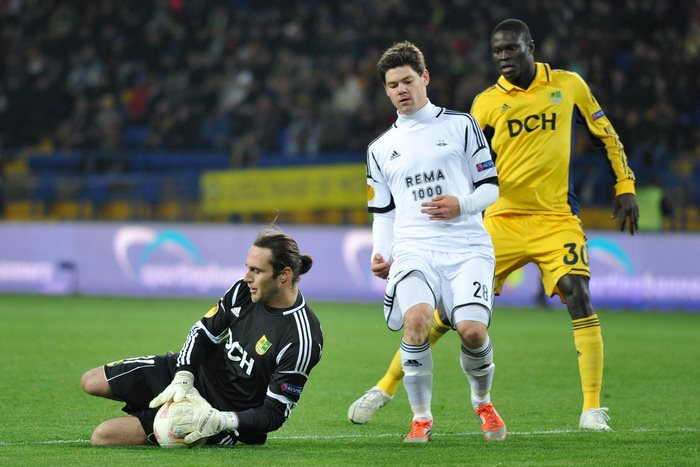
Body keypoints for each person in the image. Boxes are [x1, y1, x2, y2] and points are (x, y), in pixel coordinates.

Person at [349, 19, 639, 432]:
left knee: (578, 293)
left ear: (529, 46)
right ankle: (385, 386)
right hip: (499, 220)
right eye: (497, 52)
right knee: (448, 317)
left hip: (556, 217)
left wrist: (624, 185)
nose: (503, 57)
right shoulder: (484, 105)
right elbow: (464, 169)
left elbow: (606, 135)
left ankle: (591, 409)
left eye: (510, 49)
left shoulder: (569, 85)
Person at [365, 40, 506, 443]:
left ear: (424, 78)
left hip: (467, 247)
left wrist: (461, 204)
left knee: (472, 332)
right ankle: (421, 417)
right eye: (393, 85)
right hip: (414, 249)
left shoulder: (461, 125)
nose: (401, 90)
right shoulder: (379, 149)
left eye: (407, 81)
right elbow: (383, 212)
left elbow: (490, 187)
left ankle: (482, 401)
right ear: (386, 90)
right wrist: (381, 252)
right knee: (416, 322)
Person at [80, 229, 323, 446]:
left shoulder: (301, 339)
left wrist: (221, 421)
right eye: (248, 267)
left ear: (284, 275)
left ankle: (218, 436)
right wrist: (183, 375)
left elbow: (274, 413)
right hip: (196, 374)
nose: (247, 276)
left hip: (217, 412)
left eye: (256, 271)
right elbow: (202, 332)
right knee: (90, 381)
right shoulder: (243, 291)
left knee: (103, 435)